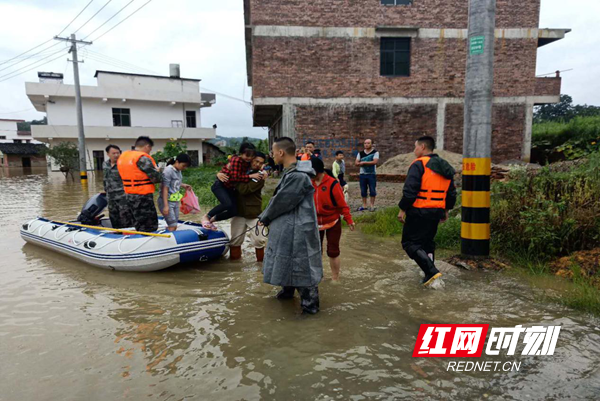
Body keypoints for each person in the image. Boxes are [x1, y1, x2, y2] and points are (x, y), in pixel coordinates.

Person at [258, 137, 323, 315]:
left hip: (298, 229)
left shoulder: (298, 176)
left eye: (273, 151)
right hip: (289, 227)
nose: (272, 155)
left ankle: (310, 308)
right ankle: (287, 294)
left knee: (302, 265)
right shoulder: (291, 173)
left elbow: (282, 201)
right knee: (287, 259)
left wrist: (265, 217)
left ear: (281, 152)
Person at [397, 135, 457, 287]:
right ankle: (428, 273)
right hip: (436, 211)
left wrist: (402, 209)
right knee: (427, 243)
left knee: (410, 243)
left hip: (419, 211)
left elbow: (410, 191)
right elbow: (451, 192)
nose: (414, 150)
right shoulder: (444, 165)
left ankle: (431, 271)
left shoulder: (419, 164)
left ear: (422, 147)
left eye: (415, 146)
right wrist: (446, 210)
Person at [218, 152, 268, 262]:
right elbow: (224, 174)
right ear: (251, 160)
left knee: (259, 241)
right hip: (238, 211)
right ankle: (235, 267)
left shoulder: (260, 176)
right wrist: (219, 174)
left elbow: (244, 189)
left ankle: (261, 267)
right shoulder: (239, 170)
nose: (258, 164)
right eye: (256, 161)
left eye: (261, 163)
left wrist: (234, 179)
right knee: (235, 241)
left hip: (253, 213)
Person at [311, 158, 355, 281]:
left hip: (333, 222)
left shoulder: (333, 184)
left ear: (317, 171)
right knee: (315, 251)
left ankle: (335, 278)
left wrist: (349, 220)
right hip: (314, 223)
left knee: (333, 251)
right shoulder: (308, 182)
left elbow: (342, 205)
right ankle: (317, 276)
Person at [202, 143, 263, 230]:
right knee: (227, 204)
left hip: (229, 187)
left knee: (234, 211)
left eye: (251, 156)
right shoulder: (237, 160)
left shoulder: (247, 163)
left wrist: (264, 172)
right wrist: (250, 176)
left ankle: (212, 220)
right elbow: (235, 178)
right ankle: (207, 216)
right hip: (221, 185)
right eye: (247, 155)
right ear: (241, 153)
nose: (249, 158)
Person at [117, 136, 162, 232]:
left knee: (137, 221)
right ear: (147, 146)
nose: (150, 151)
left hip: (128, 195)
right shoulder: (142, 158)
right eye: (150, 149)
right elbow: (156, 179)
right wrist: (158, 171)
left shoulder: (123, 157)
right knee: (149, 224)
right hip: (143, 196)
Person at [103, 144, 134, 229]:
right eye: (114, 153)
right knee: (113, 216)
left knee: (125, 216)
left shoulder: (124, 164)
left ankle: (128, 233)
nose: (116, 155)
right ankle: (116, 233)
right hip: (110, 196)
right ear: (108, 154)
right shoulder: (105, 164)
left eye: (118, 153)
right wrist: (105, 189)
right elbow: (105, 178)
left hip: (123, 195)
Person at [158, 153, 192, 232]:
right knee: (173, 225)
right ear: (177, 162)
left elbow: (174, 182)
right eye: (183, 165)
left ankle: (167, 234)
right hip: (166, 201)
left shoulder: (178, 170)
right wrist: (165, 206)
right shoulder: (168, 171)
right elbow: (165, 188)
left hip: (175, 201)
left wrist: (183, 185)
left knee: (174, 223)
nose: (184, 168)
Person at [355, 139, 379, 212]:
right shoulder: (360, 153)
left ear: (371, 144)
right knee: (363, 190)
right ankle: (364, 205)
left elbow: (375, 162)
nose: (366, 144)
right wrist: (360, 163)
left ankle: (372, 205)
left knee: (372, 190)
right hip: (362, 174)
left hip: (371, 174)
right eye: (365, 143)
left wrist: (363, 162)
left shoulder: (375, 152)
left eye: (368, 143)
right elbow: (356, 163)